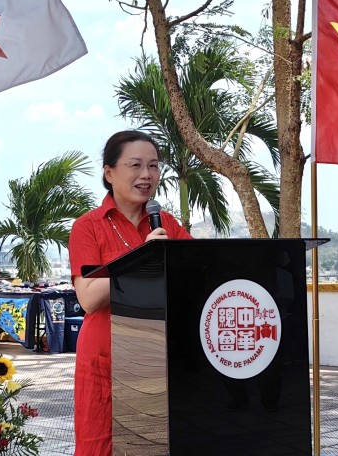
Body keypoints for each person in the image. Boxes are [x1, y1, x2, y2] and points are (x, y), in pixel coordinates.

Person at [68, 130, 192, 456]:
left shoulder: (165, 224)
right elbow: (90, 297)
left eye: (153, 166)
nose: (146, 175)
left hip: (154, 357)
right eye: (135, 165)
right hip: (104, 359)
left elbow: (196, 275)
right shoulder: (88, 226)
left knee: (150, 447)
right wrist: (143, 263)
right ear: (109, 173)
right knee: (100, 447)